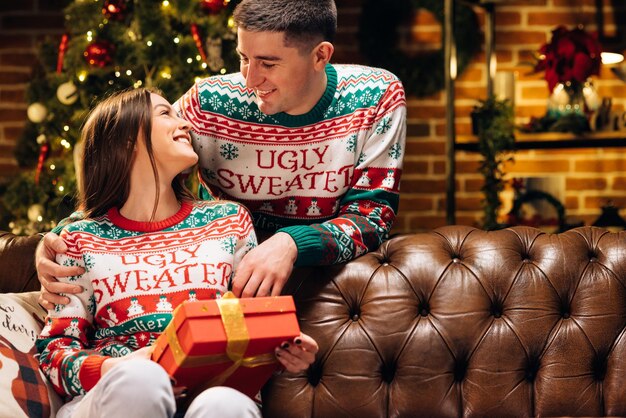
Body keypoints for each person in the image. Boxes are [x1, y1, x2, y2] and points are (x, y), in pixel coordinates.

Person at [35, 0, 407, 307]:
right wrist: (61, 237)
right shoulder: (210, 102)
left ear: (320, 55)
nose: (249, 79)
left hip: (325, 282)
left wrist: (291, 242)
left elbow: (372, 218)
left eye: (268, 63)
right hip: (219, 278)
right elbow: (137, 159)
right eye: (244, 58)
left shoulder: (376, 96)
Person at [36, 88, 318, 418]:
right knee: (143, 379)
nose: (184, 124)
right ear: (127, 140)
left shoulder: (228, 221)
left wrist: (285, 348)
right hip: (117, 393)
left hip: (211, 390)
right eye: (165, 114)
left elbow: (251, 324)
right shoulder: (80, 239)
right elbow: (54, 352)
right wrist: (119, 366)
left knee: (226, 405)